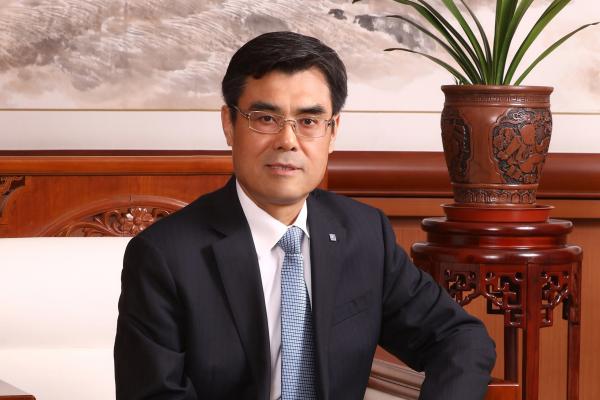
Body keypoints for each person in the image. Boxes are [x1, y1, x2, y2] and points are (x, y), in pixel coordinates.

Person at [114, 31, 495, 400]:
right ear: (229, 125)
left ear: (333, 131)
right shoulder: (165, 256)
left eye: (309, 121)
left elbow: (460, 339)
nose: (288, 140)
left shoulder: (364, 234)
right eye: (266, 119)